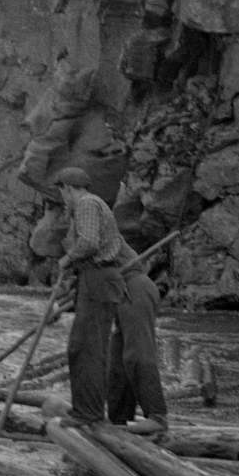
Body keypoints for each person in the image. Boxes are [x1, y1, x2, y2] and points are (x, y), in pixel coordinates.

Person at [56, 166, 125, 427]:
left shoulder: (85, 204)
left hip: (99, 279)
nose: (63, 197)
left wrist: (67, 259)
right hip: (94, 279)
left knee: (89, 349)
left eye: (62, 191)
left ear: (67, 188)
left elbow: (89, 243)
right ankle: (83, 409)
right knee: (80, 347)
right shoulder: (91, 204)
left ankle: (90, 414)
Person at [108, 240, 170, 435]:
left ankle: (157, 417)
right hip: (119, 290)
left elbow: (87, 257)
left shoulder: (90, 223)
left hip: (135, 288)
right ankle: (119, 420)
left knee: (137, 353)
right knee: (117, 360)